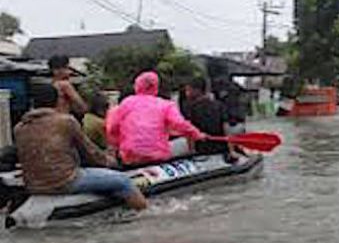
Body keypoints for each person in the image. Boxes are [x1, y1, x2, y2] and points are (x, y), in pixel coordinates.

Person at [13, 85, 147, 210]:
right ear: (57, 101)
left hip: (34, 186)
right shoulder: (66, 122)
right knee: (122, 180)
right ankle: (144, 214)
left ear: (33, 103)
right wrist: (110, 162)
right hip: (64, 181)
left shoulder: (19, 128)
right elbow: (91, 152)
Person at [106, 71, 207, 166]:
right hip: (157, 155)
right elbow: (180, 124)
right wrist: (197, 134)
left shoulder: (126, 103)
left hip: (130, 155)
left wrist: (118, 144)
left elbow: (112, 127)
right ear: (156, 87)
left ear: (136, 85)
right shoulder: (166, 105)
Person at [180, 77, 240, 160]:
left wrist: (192, 152)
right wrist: (231, 150)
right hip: (221, 150)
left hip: (201, 151)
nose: (187, 93)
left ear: (197, 90)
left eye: (188, 90)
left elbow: (189, 133)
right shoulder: (219, 105)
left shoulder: (189, 108)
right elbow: (227, 130)